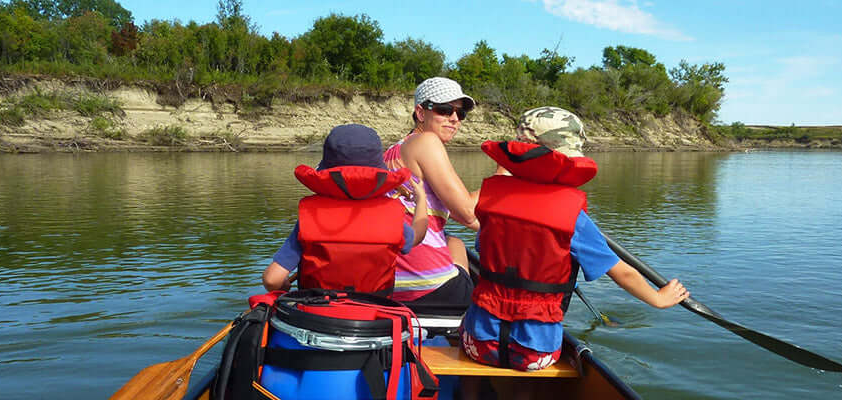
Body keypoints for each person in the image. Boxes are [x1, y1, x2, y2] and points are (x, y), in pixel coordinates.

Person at [459, 106, 691, 372]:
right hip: (534, 352)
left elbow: (485, 247)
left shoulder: (491, 200)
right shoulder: (573, 217)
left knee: (472, 324)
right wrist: (658, 298)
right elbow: (622, 273)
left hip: (478, 342)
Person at [261, 124, 429, 295]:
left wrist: (284, 287)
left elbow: (272, 279)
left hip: (315, 313)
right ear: (379, 174)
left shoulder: (310, 216)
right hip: (374, 316)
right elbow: (416, 236)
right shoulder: (391, 217)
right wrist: (421, 200)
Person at [383, 77, 480, 308]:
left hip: (390, 285)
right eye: (445, 110)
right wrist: (505, 170)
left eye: (461, 113)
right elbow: (467, 213)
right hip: (428, 287)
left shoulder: (393, 150)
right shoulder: (427, 142)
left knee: (454, 240)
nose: (455, 119)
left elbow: (465, 217)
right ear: (420, 112)